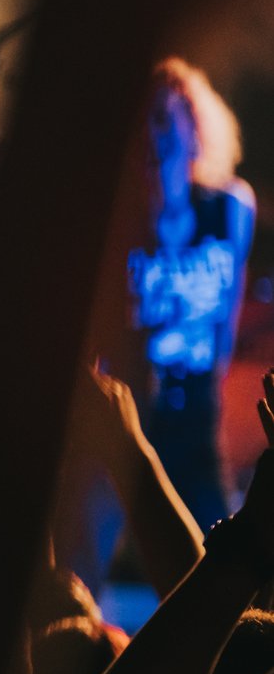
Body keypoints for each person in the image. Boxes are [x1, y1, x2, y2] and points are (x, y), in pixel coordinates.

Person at [109, 58, 255, 530]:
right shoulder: (121, 223)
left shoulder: (230, 208)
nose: (151, 135)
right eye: (141, 122)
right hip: (129, 417)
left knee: (217, 545)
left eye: (161, 117)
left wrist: (210, 382)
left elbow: (227, 314)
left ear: (194, 131)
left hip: (196, 419)